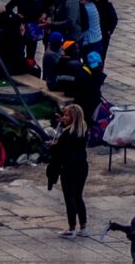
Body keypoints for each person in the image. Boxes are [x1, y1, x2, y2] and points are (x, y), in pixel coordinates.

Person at [45, 99, 91, 238]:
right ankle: (83, 227)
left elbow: (59, 151)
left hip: (69, 169)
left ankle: (71, 228)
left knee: (69, 198)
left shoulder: (66, 135)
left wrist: (51, 147)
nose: (63, 118)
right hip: (82, 168)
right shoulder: (82, 131)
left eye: (66, 116)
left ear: (72, 118)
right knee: (78, 197)